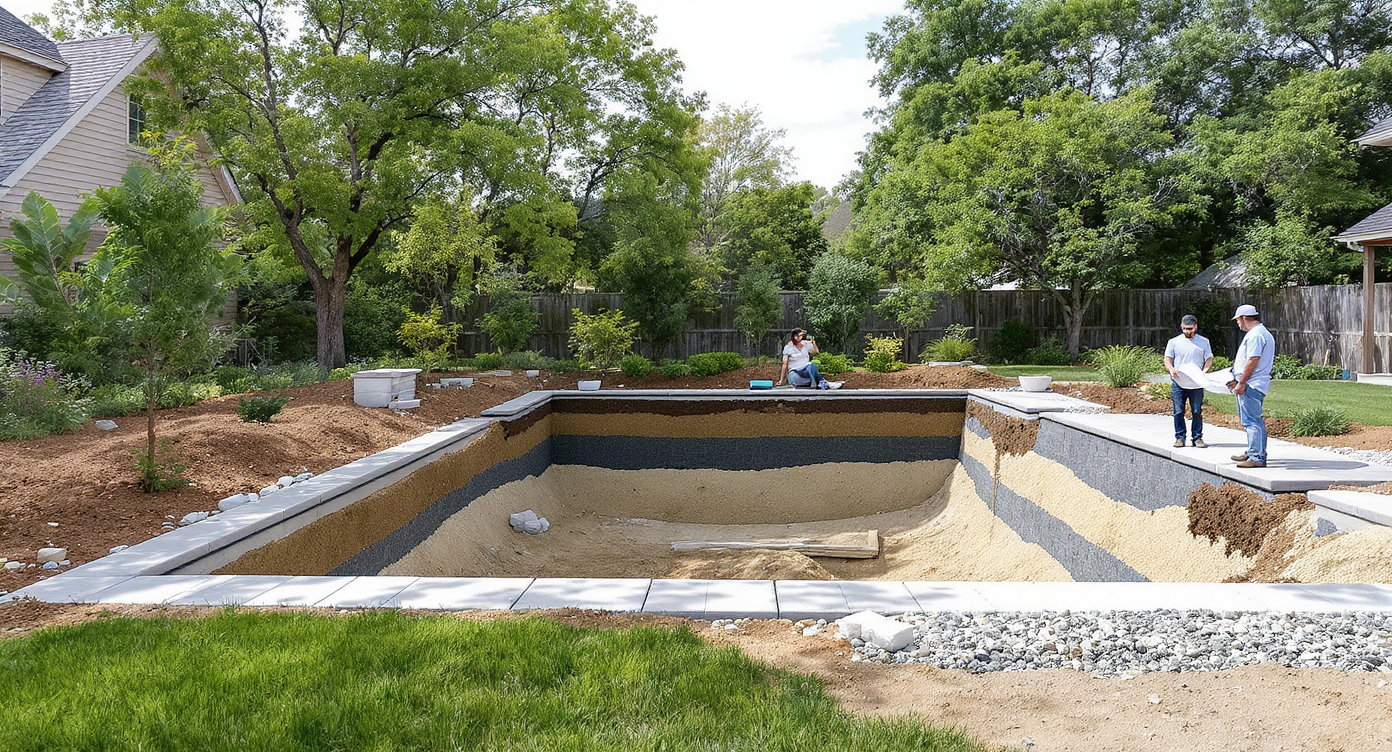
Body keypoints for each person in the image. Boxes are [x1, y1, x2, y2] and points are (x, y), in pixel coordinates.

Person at [1226, 304, 1275, 468]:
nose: (1238, 324)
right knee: (1254, 420)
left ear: (1244, 318)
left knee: (1251, 421)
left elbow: (1253, 359)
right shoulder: (1260, 333)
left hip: (1252, 384)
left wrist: (1242, 382)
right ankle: (1254, 451)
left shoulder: (1256, 335)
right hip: (1254, 383)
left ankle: (1256, 456)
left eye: (1238, 320)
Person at [1164, 314, 1214, 448]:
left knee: (1197, 411)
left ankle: (1197, 438)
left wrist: (1204, 371)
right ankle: (1180, 437)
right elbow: (1168, 359)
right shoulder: (1173, 342)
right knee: (1178, 411)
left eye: (1191, 329)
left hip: (1196, 383)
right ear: (1181, 327)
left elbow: (1209, 359)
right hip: (1179, 383)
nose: (1188, 331)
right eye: (1185, 329)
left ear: (1196, 327)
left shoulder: (1204, 342)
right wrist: (1171, 369)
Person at [774, 328, 843, 389]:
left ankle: (822, 384)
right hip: (795, 372)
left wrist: (813, 343)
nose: (798, 337)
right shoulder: (788, 347)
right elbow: (784, 364)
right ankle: (825, 383)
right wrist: (781, 380)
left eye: (800, 336)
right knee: (804, 371)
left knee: (813, 365)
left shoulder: (805, 344)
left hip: (806, 370)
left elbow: (816, 351)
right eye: (797, 336)